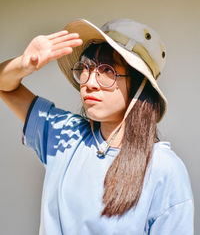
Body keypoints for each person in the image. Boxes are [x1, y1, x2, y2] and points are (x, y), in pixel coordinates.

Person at [0, 18, 194, 234]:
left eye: (108, 71)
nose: (90, 83)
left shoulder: (163, 168)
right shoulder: (65, 135)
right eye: (86, 68)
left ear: (139, 86)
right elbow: (5, 86)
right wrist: (23, 64)